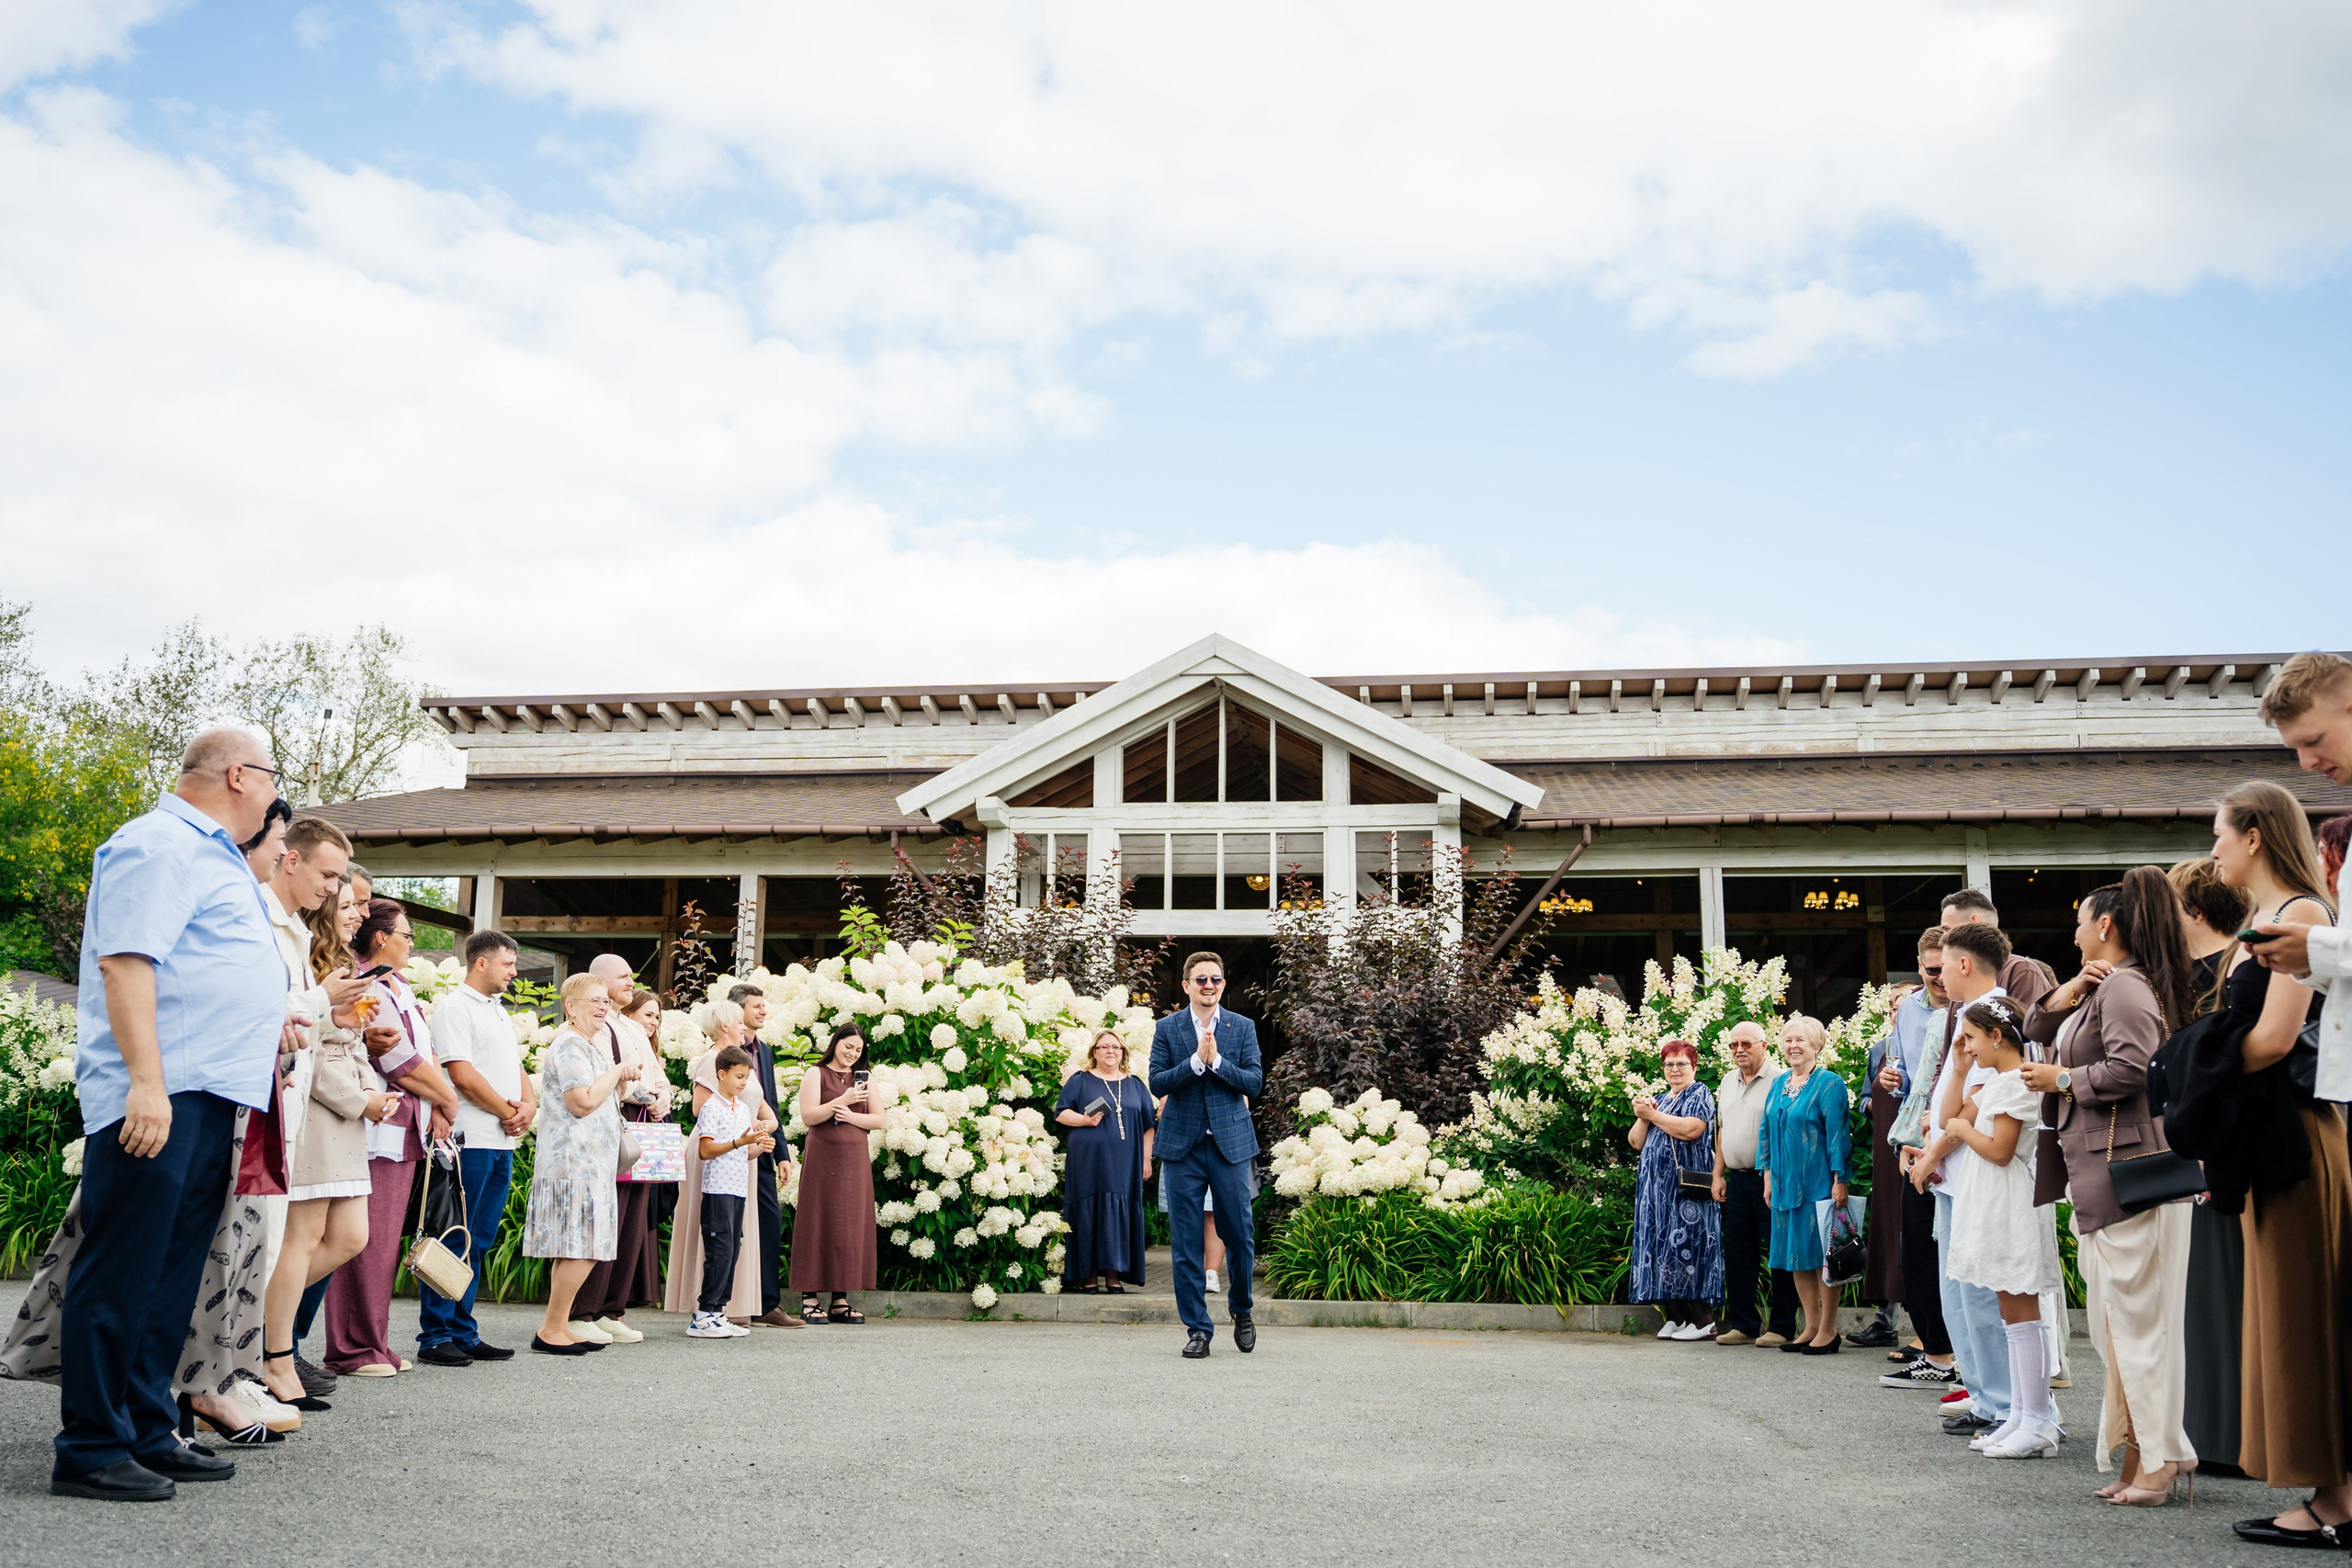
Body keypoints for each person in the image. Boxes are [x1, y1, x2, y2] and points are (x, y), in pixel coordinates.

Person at [51, 728, 286, 1500]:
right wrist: (145, 1083)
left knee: (171, 1274)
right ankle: (88, 1443)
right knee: (123, 1266)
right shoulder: (156, 843)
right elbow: (126, 961)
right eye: (273, 775)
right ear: (240, 775)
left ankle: (148, 1425)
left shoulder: (216, 853)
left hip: (214, 1092)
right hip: (163, 1091)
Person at [2199, 780, 2348, 1549]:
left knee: (2308, 1311)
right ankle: (2329, 1491)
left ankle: (2336, 1500)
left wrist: (2186, 1075)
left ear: (2254, 834)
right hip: (2268, 1132)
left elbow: (2276, 1038)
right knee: (2289, 1309)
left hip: (2297, 1129)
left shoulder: (2302, 914)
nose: (2213, 846)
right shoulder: (2274, 916)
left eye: (2221, 832)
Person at [2020, 868, 2199, 1500]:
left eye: (2078, 922)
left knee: (2140, 1328)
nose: (2071, 934)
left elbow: (2133, 1068)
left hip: (2130, 1179)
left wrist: (2063, 1082)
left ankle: (2163, 1458)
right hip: (2100, 1177)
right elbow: (2037, 1028)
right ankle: (2139, 1452)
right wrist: (2068, 988)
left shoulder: (2125, 988)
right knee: (2116, 1328)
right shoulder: (2101, 987)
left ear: (2105, 924)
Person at [321, 900, 458, 1378]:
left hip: (406, 1127)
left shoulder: (396, 984)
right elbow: (395, 1057)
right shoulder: (368, 983)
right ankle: (352, 1348)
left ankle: (374, 1342)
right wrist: (447, 1097)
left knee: (379, 1243)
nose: (412, 943)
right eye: (407, 935)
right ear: (381, 938)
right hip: (379, 1128)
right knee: (365, 1240)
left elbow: (427, 1050)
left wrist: (437, 1102)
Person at [1909, 919, 2032, 1439]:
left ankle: (2006, 1402)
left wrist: (1934, 1147)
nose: (1936, 973)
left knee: (1980, 1296)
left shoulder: (1993, 1015)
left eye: (1943, 963)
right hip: (1952, 1175)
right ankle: (1984, 1394)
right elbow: (1953, 1093)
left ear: (1963, 964)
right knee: (1956, 1294)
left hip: (1975, 1172)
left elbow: (1982, 1104)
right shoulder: (1960, 1014)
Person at [1941, 998, 2066, 1459]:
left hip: (2010, 1201)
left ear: (1997, 1035)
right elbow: (1947, 1117)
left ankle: (2037, 1420)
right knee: (2009, 1312)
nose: (1968, 1047)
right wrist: (1957, 1072)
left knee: (2021, 1312)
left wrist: (1961, 1129)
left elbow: (2001, 1150)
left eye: (1972, 1038)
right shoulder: (1995, 1082)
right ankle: (2020, 1413)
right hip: (1992, 1199)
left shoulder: (2017, 1083)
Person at [413, 930, 534, 1367]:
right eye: (507, 964)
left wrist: (529, 1105)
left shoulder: (498, 1011)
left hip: (500, 1139)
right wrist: (507, 1110)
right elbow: (460, 1075)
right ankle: (435, 1335)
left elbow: (514, 1065)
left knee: (479, 1239)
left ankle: (464, 1332)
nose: (514, 972)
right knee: (452, 1236)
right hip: (468, 1138)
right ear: (480, 962)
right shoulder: (454, 1008)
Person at [2168, 855, 2253, 1475]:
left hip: (2219, 1150)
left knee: (2217, 1296)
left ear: (2193, 911)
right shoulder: (2199, 973)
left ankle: (2224, 1436)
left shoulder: (2230, 974)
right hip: (2214, 1146)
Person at [1148, 951, 1263, 1359]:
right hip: (1183, 1147)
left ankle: (1242, 1310)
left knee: (1240, 1236)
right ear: (1186, 985)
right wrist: (1195, 1063)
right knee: (1184, 1242)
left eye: (1215, 979)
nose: (1208, 985)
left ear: (1223, 985)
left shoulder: (1242, 1027)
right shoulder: (1167, 1028)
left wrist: (1217, 1063)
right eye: (1200, 980)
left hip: (1229, 1146)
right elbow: (1157, 1079)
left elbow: (1254, 1082)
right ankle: (1198, 1328)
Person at [525, 974, 640, 1354]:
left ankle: (555, 1326)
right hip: (575, 1163)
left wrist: (622, 1079)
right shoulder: (572, 1044)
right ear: (570, 1007)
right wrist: (617, 1071)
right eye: (595, 1000)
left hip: (591, 1162)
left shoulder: (590, 1044)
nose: (604, 1006)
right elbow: (582, 1101)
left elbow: (604, 1096)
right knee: (581, 1247)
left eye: (606, 1000)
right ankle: (551, 1328)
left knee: (580, 1247)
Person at [571, 956, 677, 1340]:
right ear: (599, 981)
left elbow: (656, 1073)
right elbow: (603, 1077)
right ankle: (583, 1311)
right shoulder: (592, 1025)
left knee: (632, 1221)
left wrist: (663, 1096)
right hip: (609, 1122)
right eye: (624, 977)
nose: (632, 982)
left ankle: (611, 1310)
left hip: (643, 1125)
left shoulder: (631, 1026)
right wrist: (643, 1092)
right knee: (605, 1217)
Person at [1879, 928, 1960, 1391]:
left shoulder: (1967, 1007)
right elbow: (1914, 1075)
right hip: (1913, 1137)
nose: (1937, 979)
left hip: (1949, 1137)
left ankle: (1959, 1359)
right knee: (1917, 1257)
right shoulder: (1908, 1009)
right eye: (1929, 971)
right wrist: (1895, 1080)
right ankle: (1937, 1353)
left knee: (1952, 1255)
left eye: (1942, 969)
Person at [666, 999, 780, 1322]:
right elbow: (701, 1109)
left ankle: (728, 1307)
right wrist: (741, 1134)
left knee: (735, 1235)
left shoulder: (741, 1064)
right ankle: (705, 1308)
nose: (745, 1026)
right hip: (717, 1154)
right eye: (739, 1022)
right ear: (723, 1026)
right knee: (718, 1232)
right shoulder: (712, 1061)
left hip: (744, 1151)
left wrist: (764, 1128)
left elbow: (762, 1108)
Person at [1757, 1016, 1850, 1356]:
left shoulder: (1829, 1084)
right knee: (1796, 1256)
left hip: (1818, 1183)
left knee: (1821, 1257)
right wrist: (1766, 1176)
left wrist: (1841, 1180)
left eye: (1801, 1040)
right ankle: (1810, 1325)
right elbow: (1765, 1131)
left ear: (1816, 1045)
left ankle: (1828, 1329)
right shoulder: (1778, 1083)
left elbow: (1839, 1135)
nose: (1793, 1046)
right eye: (1787, 1040)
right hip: (1783, 1184)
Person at [1710, 1021, 1797, 1347]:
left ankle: (1782, 1327)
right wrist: (1718, 1173)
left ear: (1764, 1045)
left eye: (1746, 1044)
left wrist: (1771, 1176)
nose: (1739, 1050)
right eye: (1733, 1045)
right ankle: (1744, 1324)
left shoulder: (1781, 1080)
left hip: (1770, 1180)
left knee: (1777, 1251)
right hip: (1737, 1179)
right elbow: (1724, 1130)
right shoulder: (1727, 1081)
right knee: (1737, 1253)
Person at [1629, 1039, 1722, 1339]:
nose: (1674, 1069)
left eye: (1681, 1063)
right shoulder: (1660, 1100)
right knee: (1660, 1249)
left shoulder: (1699, 1093)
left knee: (1689, 1249)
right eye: (1669, 1064)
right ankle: (1677, 1317)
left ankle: (1703, 1321)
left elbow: (1692, 1130)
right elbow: (1636, 1142)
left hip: (1686, 1193)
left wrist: (1652, 1115)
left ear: (1693, 1066)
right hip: (1655, 1196)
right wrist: (1643, 1116)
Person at [794, 1021, 883, 1324]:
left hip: (854, 1161)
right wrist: (840, 1102)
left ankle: (840, 1298)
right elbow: (809, 1116)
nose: (852, 1053)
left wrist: (851, 1117)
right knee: (818, 1219)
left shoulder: (865, 1078)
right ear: (835, 1043)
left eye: (858, 1050)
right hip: (823, 1160)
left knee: (849, 1225)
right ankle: (809, 1296)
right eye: (848, 1047)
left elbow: (878, 1120)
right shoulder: (815, 1073)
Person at [1057, 1029, 1157, 1293]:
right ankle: (1088, 1276)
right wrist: (1084, 1120)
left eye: (1116, 1047)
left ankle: (1114, 1275)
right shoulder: (1080, 1080)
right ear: (1094, 1052)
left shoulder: (1135, 1084)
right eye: (1104, 1047)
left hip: (1126, 1163)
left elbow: (1149, 1126)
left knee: (1118, 1214)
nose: (1110, 1051)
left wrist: (1146, 1160)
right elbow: (1061, 1113)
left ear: (1123, 1052)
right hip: (1087, 1162)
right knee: (1089, 1213)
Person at [724, 979, 799, 1327]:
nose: (764, 1010)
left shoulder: (764, 1051)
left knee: (770, 1221)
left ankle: (767, 1304)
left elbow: (771, 1104)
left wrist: (782, 1153)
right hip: (729, 1148)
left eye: (763, 1005)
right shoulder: (720, 1051)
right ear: (738, 1011)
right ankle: (727, 1304)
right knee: (731, 1226)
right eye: (757, 1006)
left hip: (763, 1150)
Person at [687, 1044, 772, 1338]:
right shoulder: (712, 1106)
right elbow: (705, 1150)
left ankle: (717, 1312)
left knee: (732, 1250)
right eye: (738, 1076)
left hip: (737, 1190)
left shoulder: (743, 1108)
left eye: (746, 1077)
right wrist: (739, 1142)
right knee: (719, 1251)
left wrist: (759, 1146)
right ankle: (703, 1314)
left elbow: (744, 1152)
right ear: (721, 1074)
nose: (743, 1082)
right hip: (717, 1190)